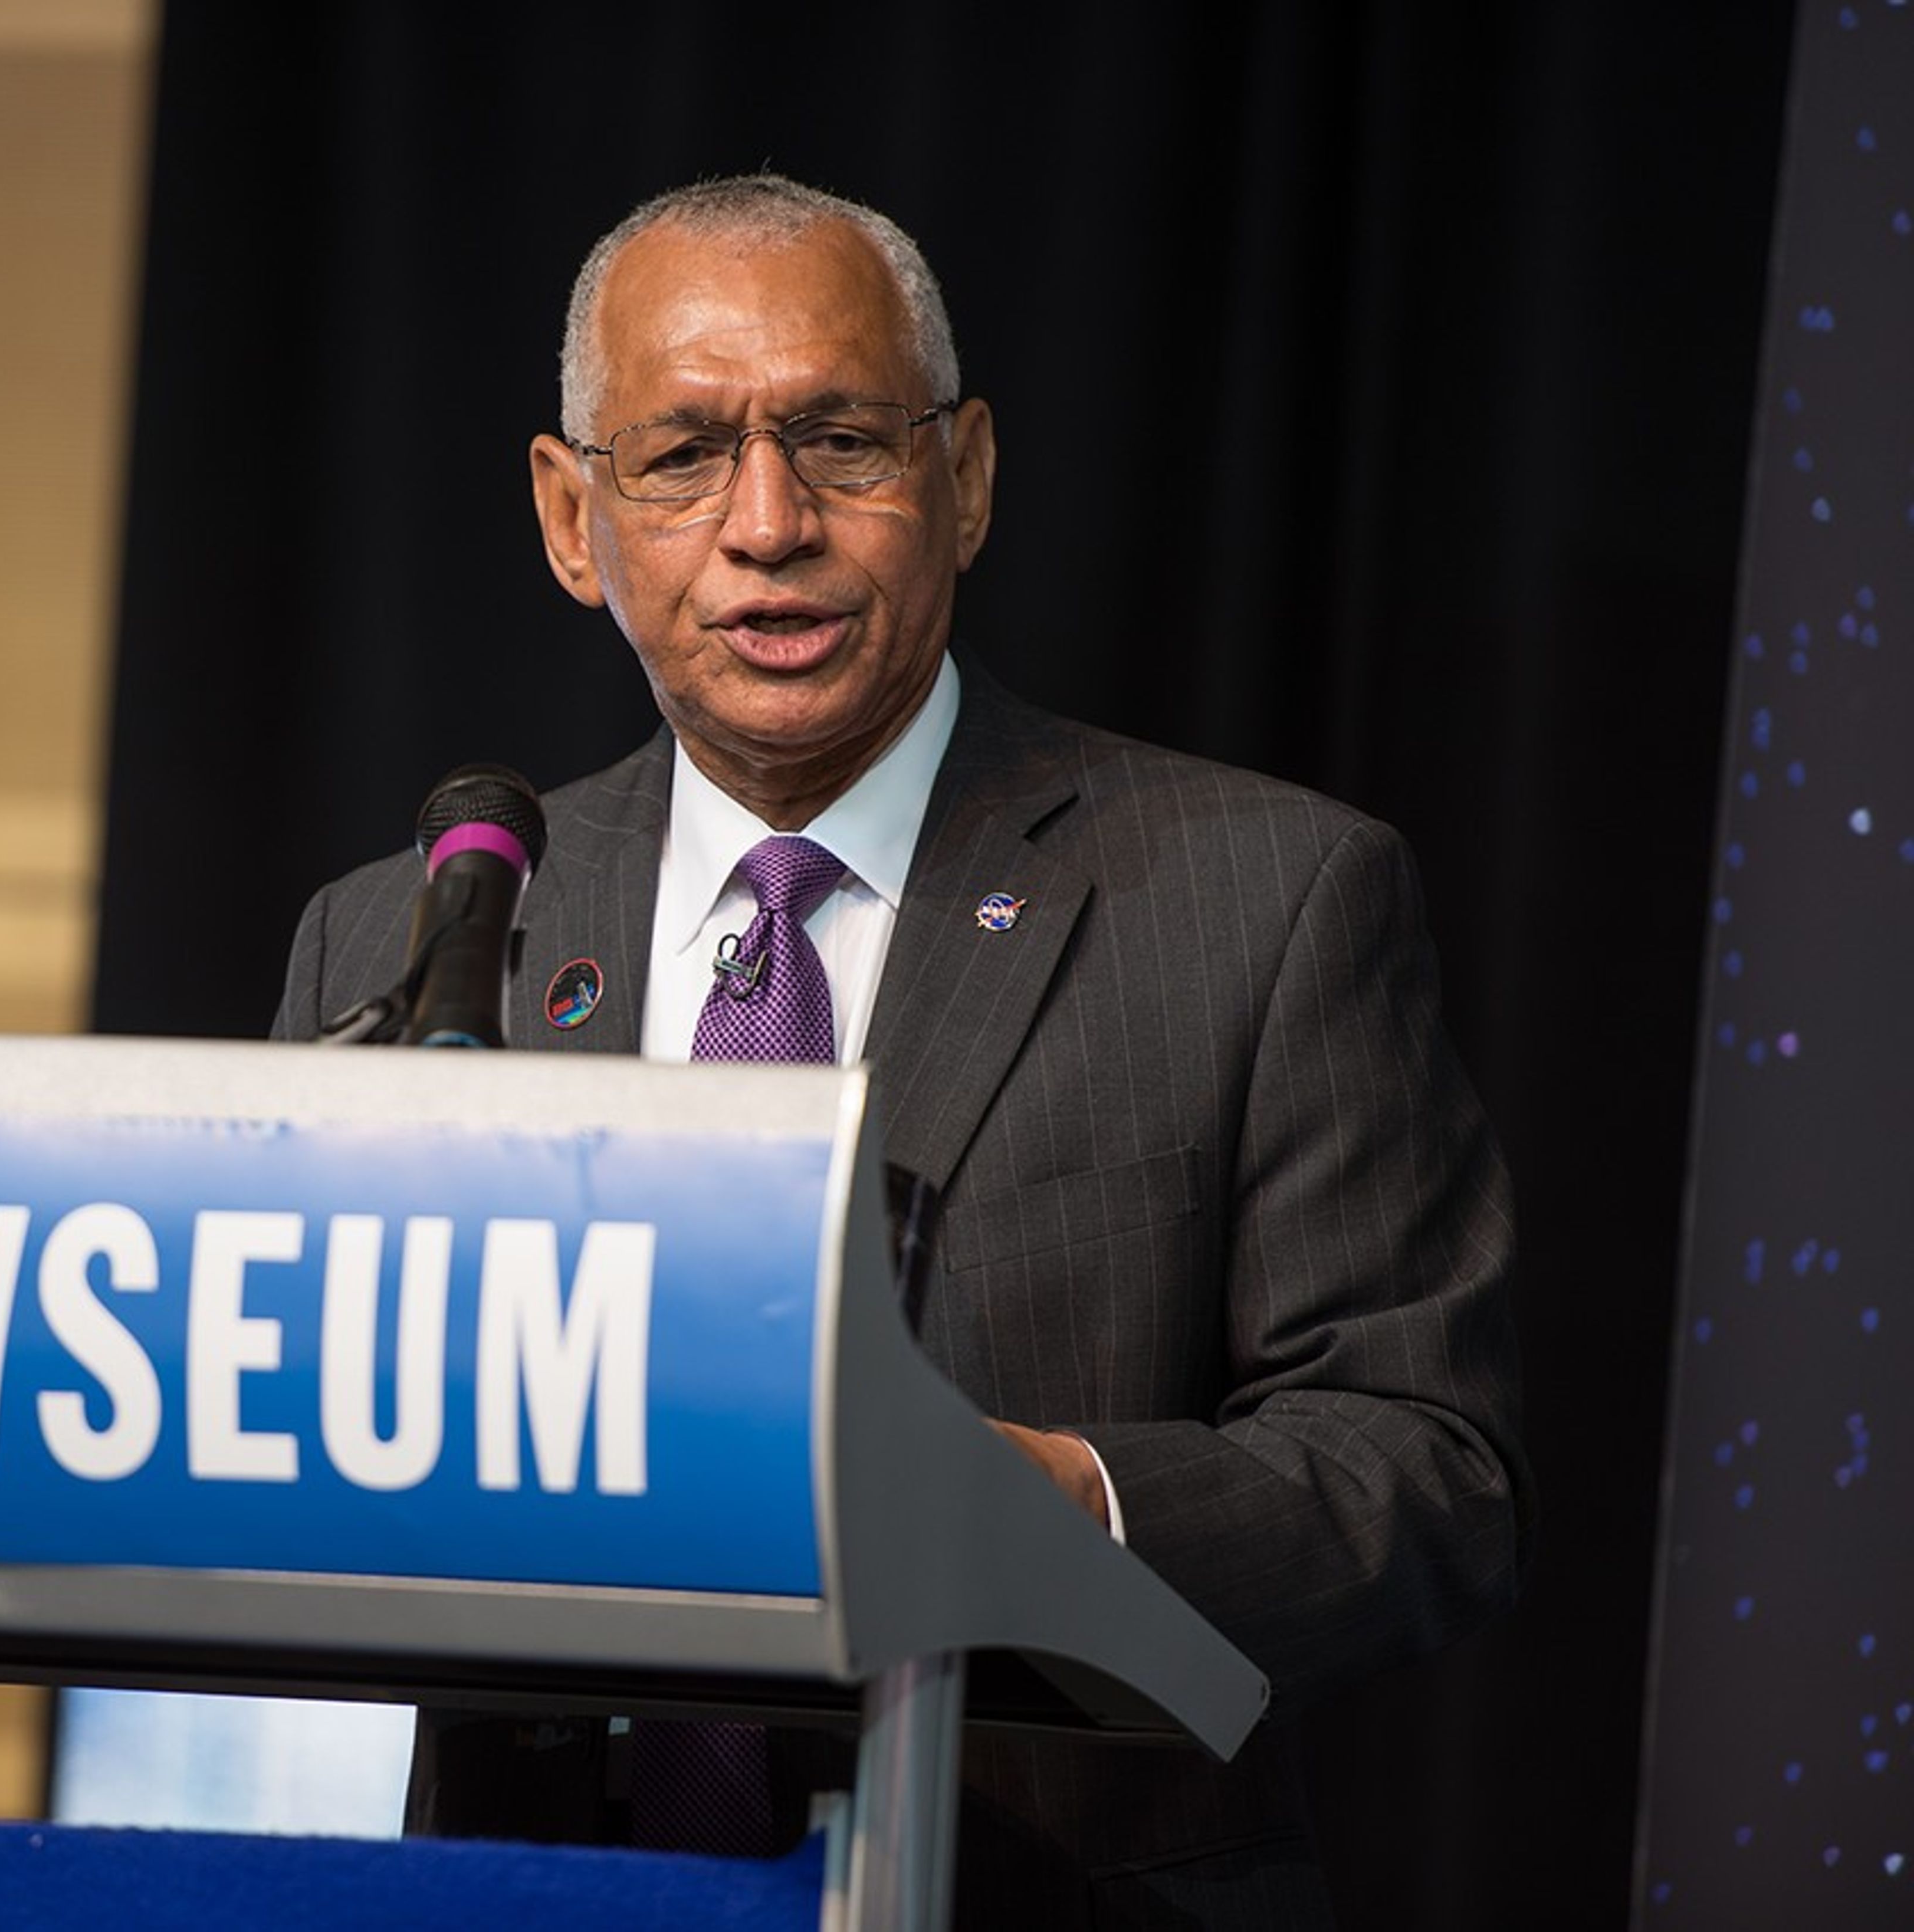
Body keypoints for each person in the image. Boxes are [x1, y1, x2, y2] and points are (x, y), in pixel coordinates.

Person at [273, 173, 1529, 1928]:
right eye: (686, 453)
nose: (770, 522)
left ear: (970, 477)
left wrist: (1047, 1502)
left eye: (843, 440)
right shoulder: (422, 937)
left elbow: (1428, 1472)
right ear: (574, 519)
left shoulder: (1268, 899)